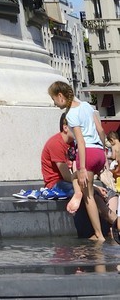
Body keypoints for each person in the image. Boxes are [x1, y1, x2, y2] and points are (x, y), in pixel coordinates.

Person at [48, 82, 110, 241]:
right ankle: (111, 222)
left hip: (87, 153)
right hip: (98, 152)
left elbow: (80, 142)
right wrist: (103, 153)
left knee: (88, 196)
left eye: (54, 99)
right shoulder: (87, 106)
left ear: (60, 96)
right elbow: (101, 130)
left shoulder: (70, 115)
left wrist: (82, 167)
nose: (55, 104)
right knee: (84, 186)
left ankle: (99, 234)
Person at [11, 124, 71, 200]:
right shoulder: (56, 143)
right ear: (65, 128)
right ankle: (44, 193)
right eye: (77, 127)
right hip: (55, 183)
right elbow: (67, 176)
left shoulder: (73, 143)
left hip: (68, 181)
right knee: (77, 191)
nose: (81, 131)